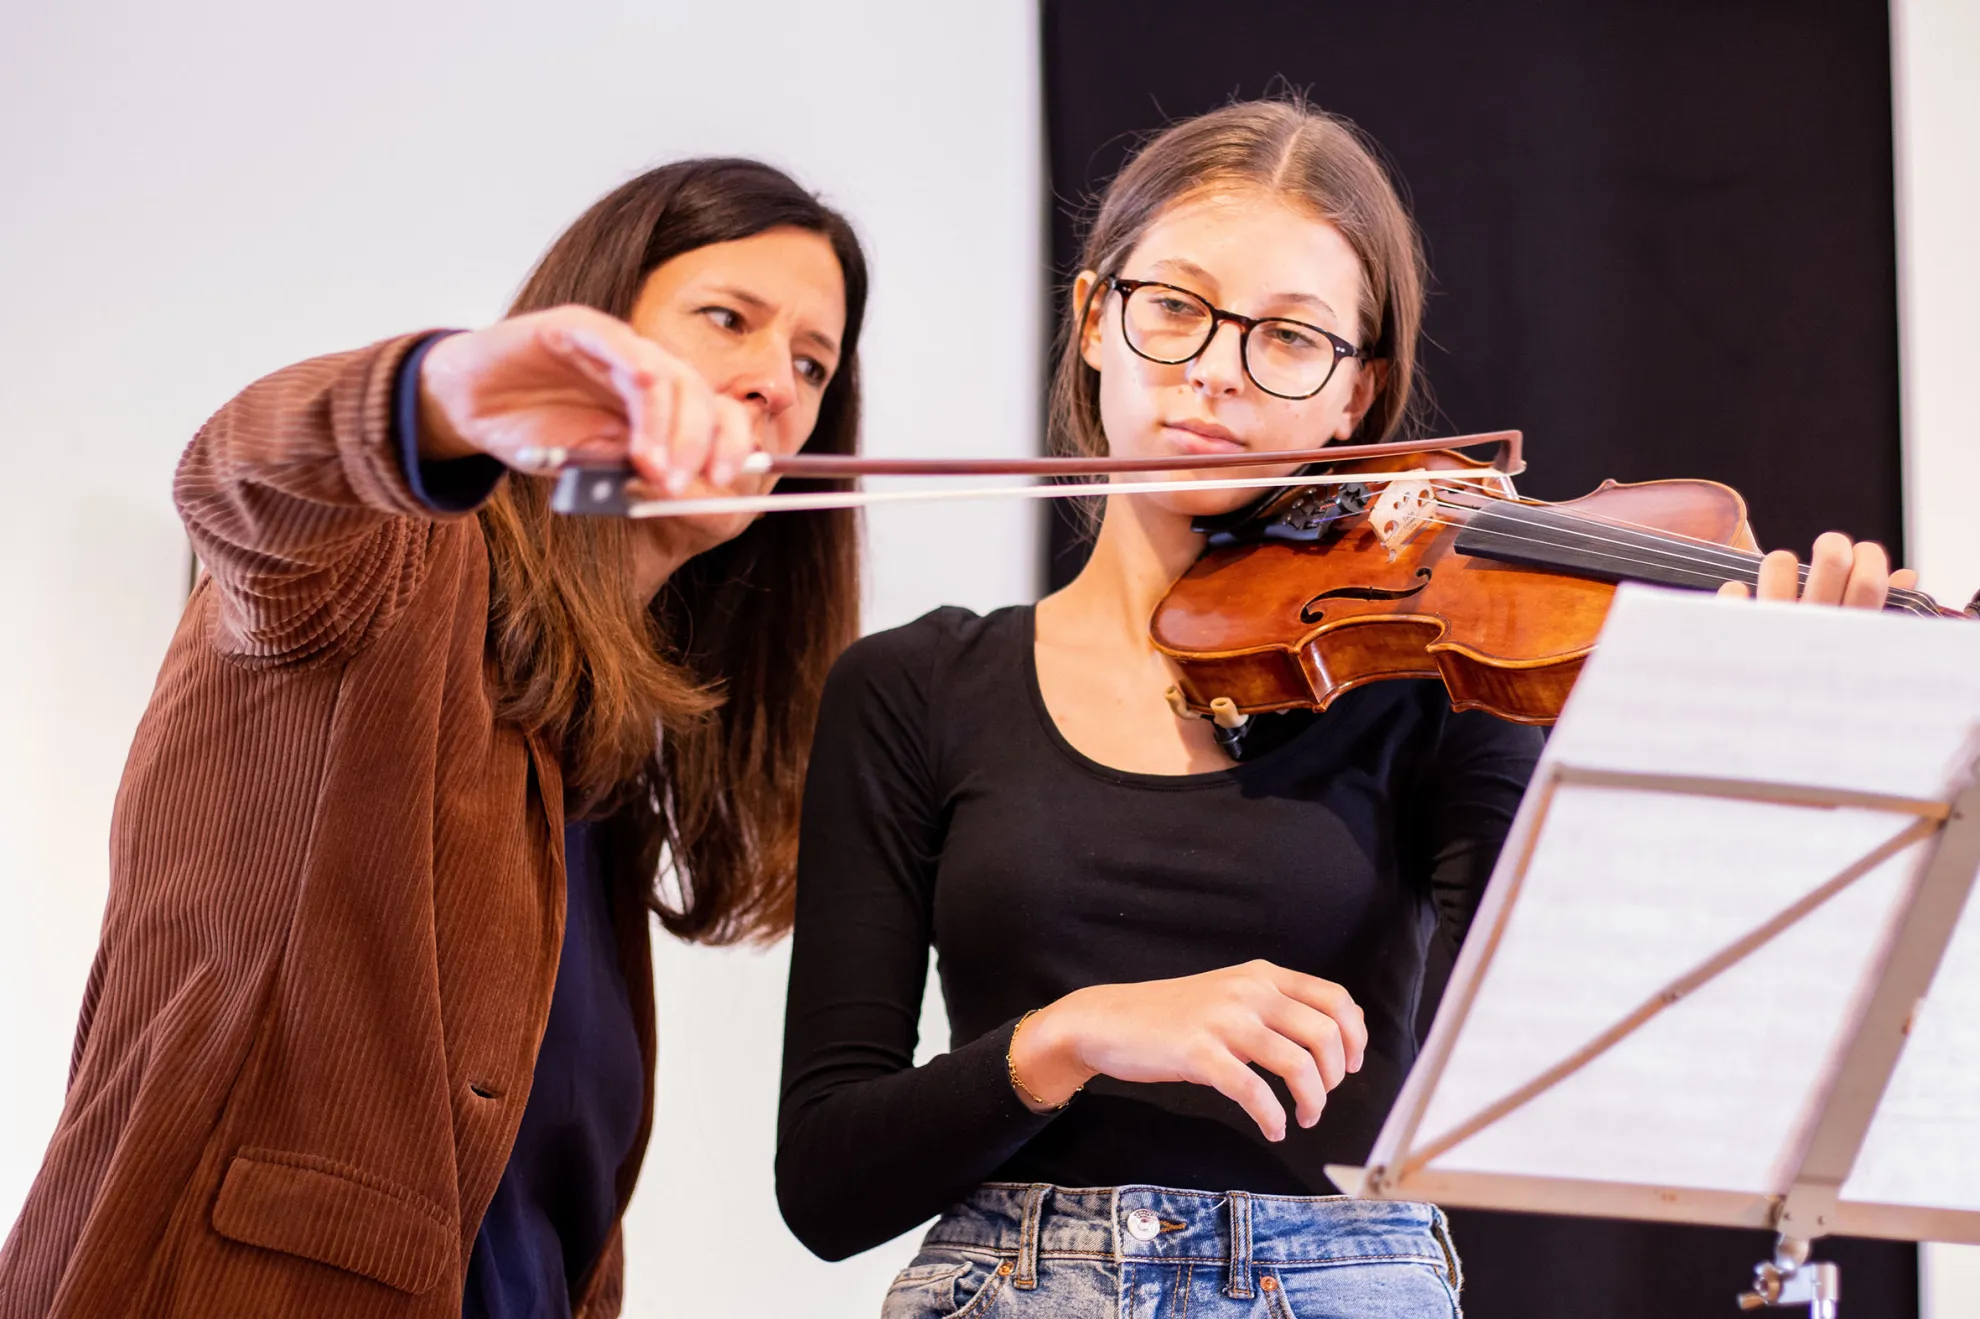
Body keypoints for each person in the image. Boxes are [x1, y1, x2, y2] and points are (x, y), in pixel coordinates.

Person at [774, 100, 1911, 1319]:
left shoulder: (1430, 673)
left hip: (1344, 1285)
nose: (1216, 370)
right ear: (1096, 316)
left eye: (1291, 339)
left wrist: (1791, 715)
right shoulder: (913, 687)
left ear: (1355, 399)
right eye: (1175, 308)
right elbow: (830, 1181)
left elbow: (1579, 1033)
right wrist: (1077, 1032)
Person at [0, 157, 866, 1319]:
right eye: (727, 319)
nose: (775, 382)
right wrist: (448, 389)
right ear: (598, 329)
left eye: (813, 362)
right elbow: (241, 482)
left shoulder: (604, 755)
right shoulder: (401, 560)